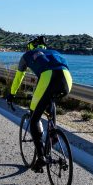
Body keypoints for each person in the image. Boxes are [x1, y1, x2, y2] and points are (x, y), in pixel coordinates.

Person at [6, 36, 73, 172]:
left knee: (34, 118)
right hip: (67, 79)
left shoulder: (27, 55)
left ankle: (41, 157)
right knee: (50, 100)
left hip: (48, 78)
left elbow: (19, 77)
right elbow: (57, 69)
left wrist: (12, 94)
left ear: (31, 46)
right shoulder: (54, 53)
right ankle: (53, 135)